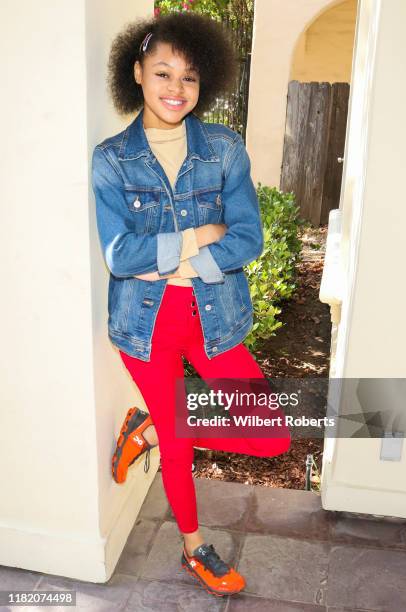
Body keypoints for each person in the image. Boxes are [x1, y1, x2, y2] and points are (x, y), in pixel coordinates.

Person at [91, 12, 291, 597]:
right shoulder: (112, 159)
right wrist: (200, 236)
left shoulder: (225, 149)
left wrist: (187, 261)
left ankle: (149, 431)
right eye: (163, 73)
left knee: (272, 434)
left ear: (204, 85)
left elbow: (248, 238)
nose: (176, 89)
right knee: (183, 449)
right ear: (137, 74)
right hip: (144, 322)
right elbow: (120, 255)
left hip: (214, 315)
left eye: (190, 78)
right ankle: (193, 545)